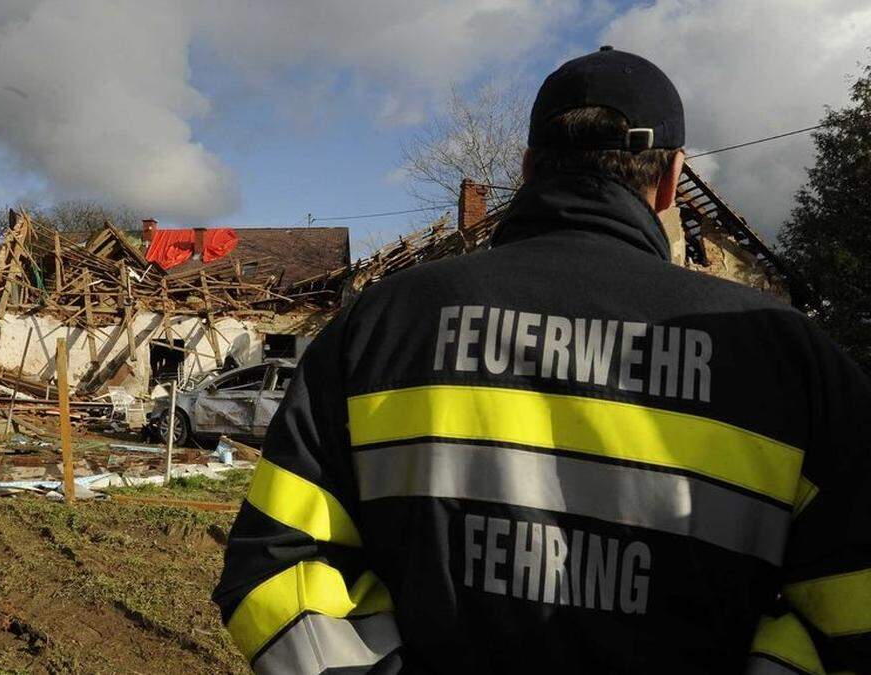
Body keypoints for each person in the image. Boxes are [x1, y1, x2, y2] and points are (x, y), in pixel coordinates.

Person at [212, 46, 871, 674]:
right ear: (672, 180)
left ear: (527, 168)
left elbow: (273, 566)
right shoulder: (791, 362)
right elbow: (854, 617)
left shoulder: (380, 326)